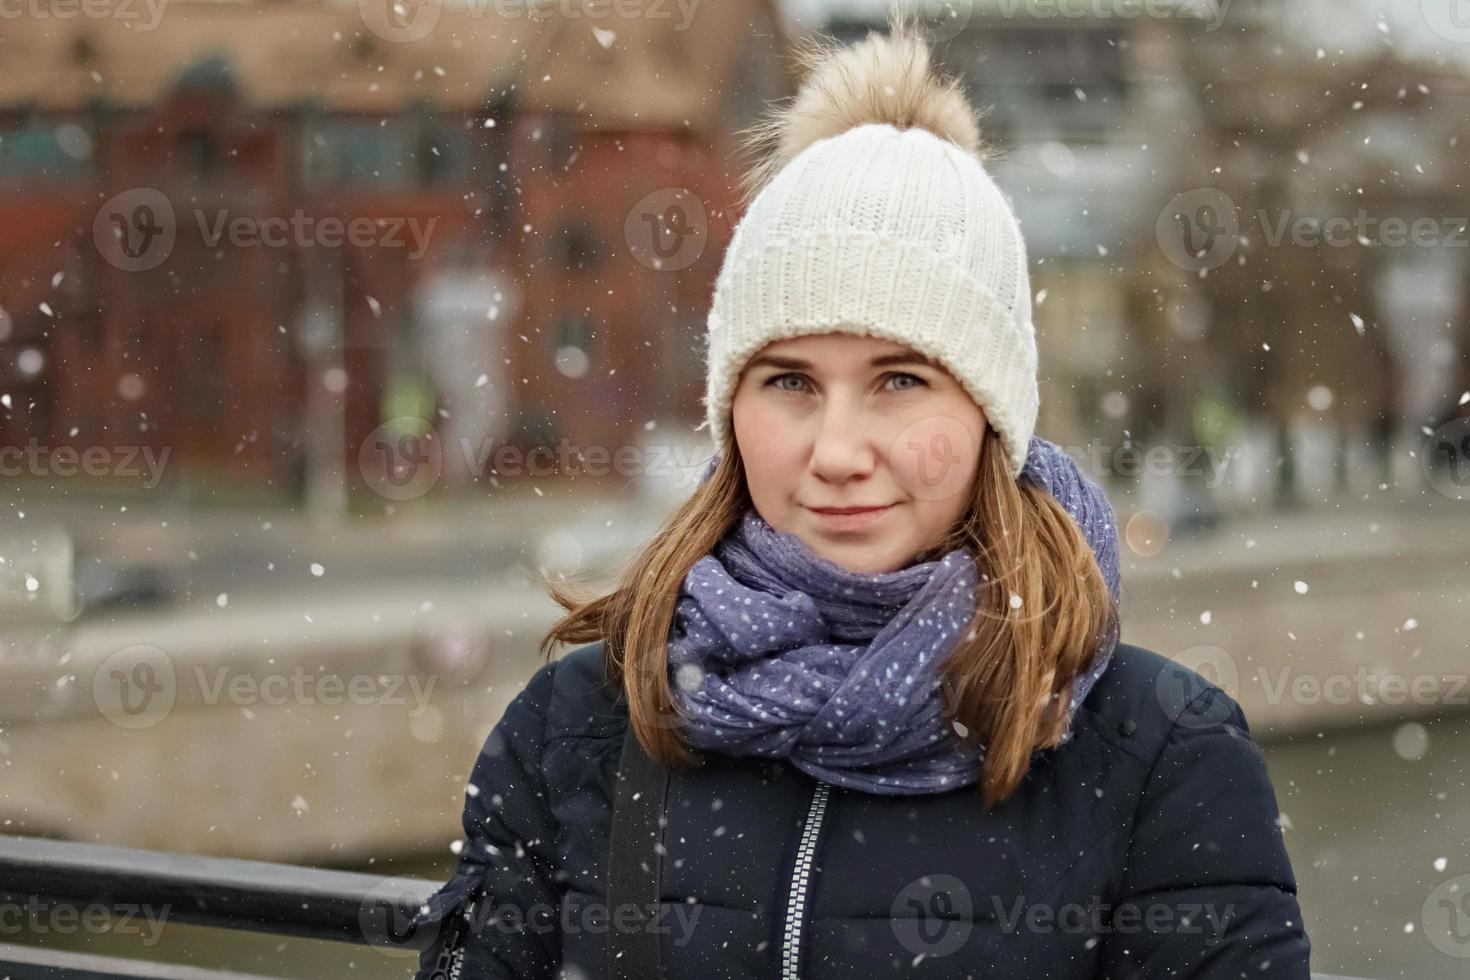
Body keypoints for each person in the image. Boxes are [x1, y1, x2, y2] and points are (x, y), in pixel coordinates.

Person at [411, 14, 1311, 979]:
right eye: (790, 382)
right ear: (730, 411)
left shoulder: (1160, 756)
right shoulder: (581, 727)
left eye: (900, 381)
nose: (838, 452)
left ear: (990, 414)